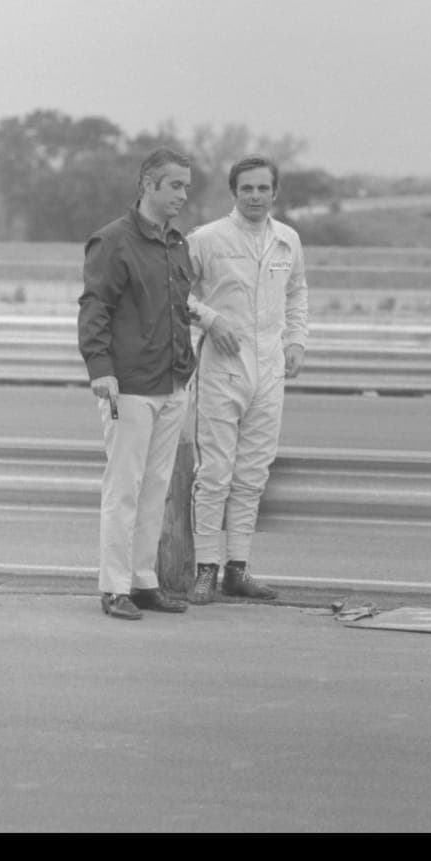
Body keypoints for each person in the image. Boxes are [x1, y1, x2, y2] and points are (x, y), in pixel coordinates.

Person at [77, 148, 199, 621]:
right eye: (175, 186)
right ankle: (113, 587)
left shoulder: (177, 243)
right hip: (127, 384)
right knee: (124, 487)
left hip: (172, 383)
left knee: (157, 487)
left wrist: (185, 371)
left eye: (186, 186)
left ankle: (144, 580)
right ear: (148, 183)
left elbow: (180, 309)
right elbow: (95, 309)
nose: (183, 195)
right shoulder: (112, 241)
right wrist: (99, 368)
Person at [185, 155, 309, 604]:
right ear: (233, 192)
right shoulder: (207, 239)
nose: (255, 197)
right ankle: (205, 568)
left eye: (263, 189)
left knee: (254, 472)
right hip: (222, 367)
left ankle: (237, 568)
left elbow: (296, 292)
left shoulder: (287, 240)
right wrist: (210, 319)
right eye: (247, 189)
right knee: (215, 471)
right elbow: (173, 290)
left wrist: (297, 341)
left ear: (275, 192)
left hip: (269, 367)